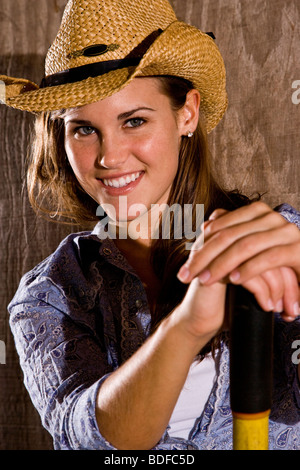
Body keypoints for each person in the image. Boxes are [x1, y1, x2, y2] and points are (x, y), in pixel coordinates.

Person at [2, 0, 300, 451]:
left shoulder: (283, 244)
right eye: (83, 129)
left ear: (187, 114)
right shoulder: (51, 296)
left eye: (134, 121)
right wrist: (186, 328)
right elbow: (93, 442)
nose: (109, 157)